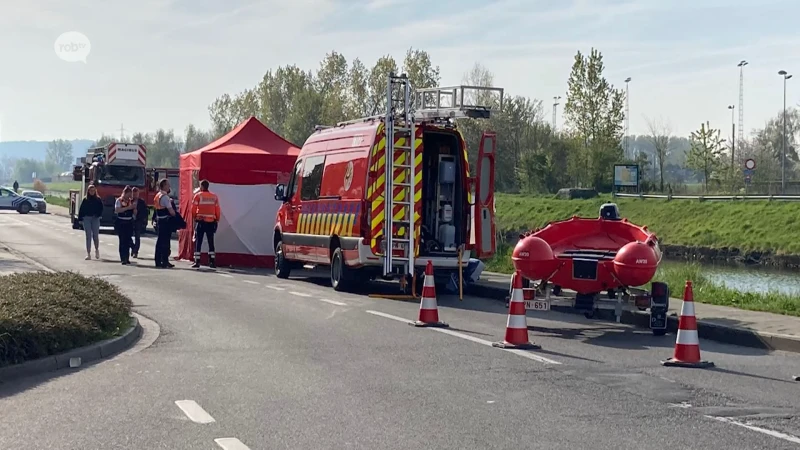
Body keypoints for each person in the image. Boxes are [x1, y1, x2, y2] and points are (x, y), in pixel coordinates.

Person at [191, 180, 221, 268]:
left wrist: (195, 217)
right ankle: (212, 261)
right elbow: (217, 209)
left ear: (202, 187)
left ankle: (197, 261)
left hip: (201, 221)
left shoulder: (198, 196)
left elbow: (193, 208)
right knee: (210, 242)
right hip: (211, 222)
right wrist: (217, 219)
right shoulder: (214, 197)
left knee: (198, 241)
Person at [154, 179, 176, 268]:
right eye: (167, 185)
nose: (169, 186)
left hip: (159, 220)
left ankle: (158, 260)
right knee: (165, 242)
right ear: (163, 186)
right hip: (165, 221)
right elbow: (171, 211)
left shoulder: (158, 195)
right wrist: (176, 215)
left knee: (160, 241)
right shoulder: (165, 197)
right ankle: (165, 261)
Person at [77, 184, 103, 260]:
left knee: (95, 235)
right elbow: (81, 210)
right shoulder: (85, 200)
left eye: (93, 190)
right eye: (91, 191)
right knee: (88, 236)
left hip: (95, 218)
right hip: (86, 218)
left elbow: (101, 209)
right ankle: (88, 253)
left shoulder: (98, 199)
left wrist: (98, 215)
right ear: (88, 191)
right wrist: (80, 219)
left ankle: (97, 250)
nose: (92, 192)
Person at [114, 186, 136, 265]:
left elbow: (133, 212)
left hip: (129, 222)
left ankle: (127, 258)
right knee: (122, 241)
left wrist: (134, 210)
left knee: (128, 240)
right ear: (125, 193)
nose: (130, 196)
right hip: (121, 221)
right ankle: (123, 258)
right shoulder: (119, 200)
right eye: (129, 194)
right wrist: (128, 208)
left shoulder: (130, 201)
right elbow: (117, 210)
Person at [130, 187, 148, 259]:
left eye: (136, 193)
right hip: (130, 220)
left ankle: (135, 251)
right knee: (128, 236)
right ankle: (133, 247)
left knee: (137, 236)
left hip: (138, 221)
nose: (135, 195)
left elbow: (145, 212)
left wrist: (140, 217)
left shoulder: (141, 202)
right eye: (133, 193)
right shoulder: (129, 201)